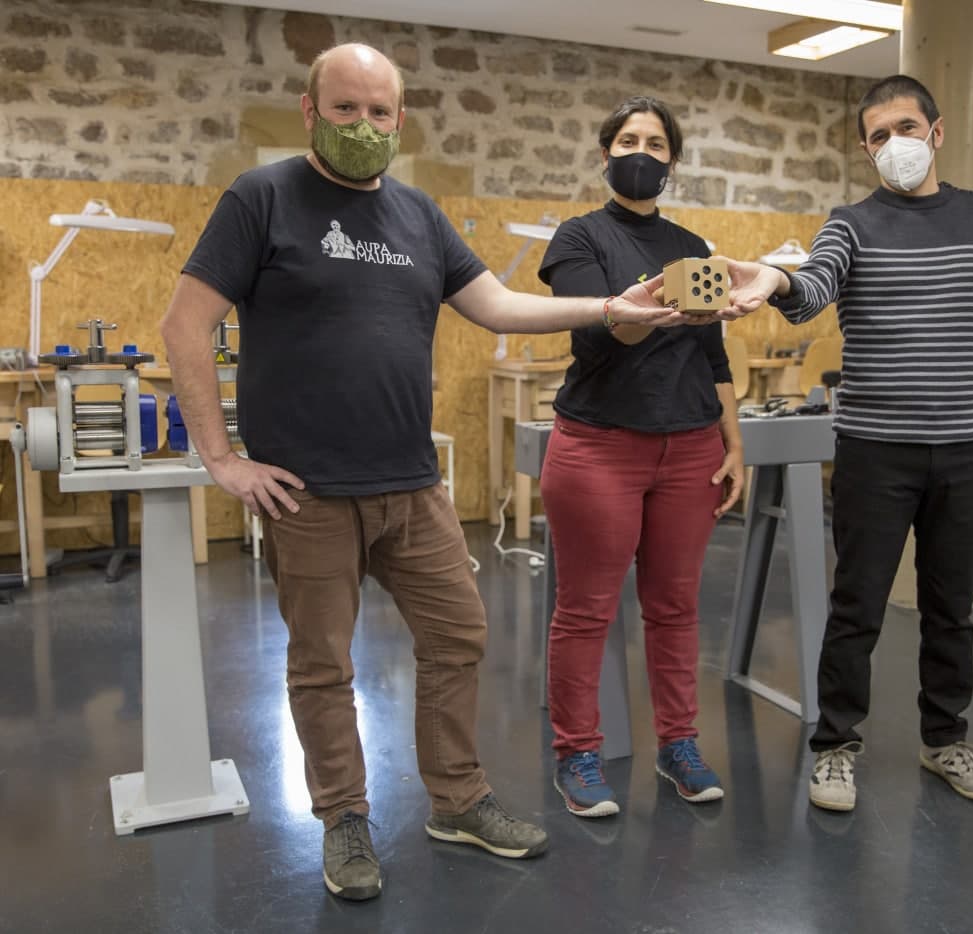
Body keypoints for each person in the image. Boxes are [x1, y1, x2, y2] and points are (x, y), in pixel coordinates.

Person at [158, 44, 689, 901]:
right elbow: (184, 325)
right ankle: (343, 818)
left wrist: (608, 306)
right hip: (306, 492)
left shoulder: (418, 214)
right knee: (323, 665)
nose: (364, 125)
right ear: (310, 111)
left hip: (410, 485)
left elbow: (498, 307)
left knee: (458, 636)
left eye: (380, 112)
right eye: (345, 109)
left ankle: (458, 799)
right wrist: (220, 458)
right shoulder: (262, 198)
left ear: (400, 120)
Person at [725, 75, 973, 812]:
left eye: (906, 127)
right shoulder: (851, 224)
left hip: (964, 448)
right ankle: (835, 747)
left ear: (936, 131)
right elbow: (812, 289)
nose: (895, 143)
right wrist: (775, 279)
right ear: (867, 151)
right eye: (878, 136)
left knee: (951, 608)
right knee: (857, 605)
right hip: (874, 449)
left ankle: (945, 739)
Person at [537, 96, 745, 818]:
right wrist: (642, 313)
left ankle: (679, 744)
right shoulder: (579, 238)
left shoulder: (693, 247)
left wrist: (734, 442)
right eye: (628, 140)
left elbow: (714, 355)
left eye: (656, 144)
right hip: (599, 447)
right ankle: (577, 753)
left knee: (676, 607)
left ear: (673, 161)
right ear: (605, 153)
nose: (642, 153)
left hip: (690, 450)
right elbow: (596, 334)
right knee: (585, 610)